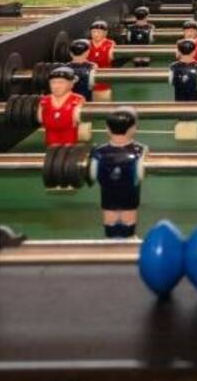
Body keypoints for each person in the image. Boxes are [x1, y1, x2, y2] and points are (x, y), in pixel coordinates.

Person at [90, 108, 145, 238]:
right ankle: (128, 237)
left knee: (110, 217)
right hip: (129, 193)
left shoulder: (99, 152)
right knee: (128, 216)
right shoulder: (140, 151)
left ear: (107, 129)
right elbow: (141, 174)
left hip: (108, 194)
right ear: (133, 129)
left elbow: (92, 174)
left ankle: (111, 239)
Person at [38, 66, 85, 147]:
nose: (56, 86)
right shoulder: (44, 101)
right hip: (51, 137)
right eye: (53, 82)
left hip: (69, 137)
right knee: (53, 151)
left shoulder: (77, 100)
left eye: (61, 82)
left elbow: (80, 119)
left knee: (68, 151)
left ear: (71, 84)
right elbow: (40, 119)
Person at [86, 20, 115, 97]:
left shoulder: (110, 43)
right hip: (90, 75)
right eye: (93, 32)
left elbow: (111, 57)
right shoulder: (87, 44)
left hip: (105, 75)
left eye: (99, 32)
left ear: (105, 33)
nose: (96, 34)